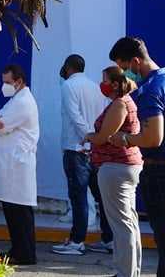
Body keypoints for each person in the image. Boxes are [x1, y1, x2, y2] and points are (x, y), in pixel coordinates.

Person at [109, 36, 165, 277]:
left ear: (136, 61)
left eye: (125, 68)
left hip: (163, 171)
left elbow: (152, 138)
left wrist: (124, 139)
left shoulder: (151, 90)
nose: (125, 74)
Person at [53, 53, 110, 256]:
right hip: (93, 149)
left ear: (68, 68)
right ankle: (108, 238)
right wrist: (94, 139)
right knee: (100, 196)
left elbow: (74, 115)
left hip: (77, 147)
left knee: (78, 197)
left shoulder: (68, 86)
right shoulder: (95, 86)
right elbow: (101, 116)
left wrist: (87, 137)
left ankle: (77, 241)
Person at [89, 66, 143, 277]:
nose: (101, 84)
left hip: (116, 167)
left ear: (114, 83)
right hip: (123, 166)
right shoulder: (125, 102)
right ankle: (129, 271)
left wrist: (89, 136)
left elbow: (104, 136)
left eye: (104, 80)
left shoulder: (120, 104)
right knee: (128, 223)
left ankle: (125, 272)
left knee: (121, 225)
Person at [0, 64, 39, 266]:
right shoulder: (15, 99)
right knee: (12, 210)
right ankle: (18, 249)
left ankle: (25, 253)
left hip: (18, 165)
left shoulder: (23, 102)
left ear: (18, 82)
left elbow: (0, 125)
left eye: (8, 82)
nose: (4, 86)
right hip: (11, 165)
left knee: (19, 212)